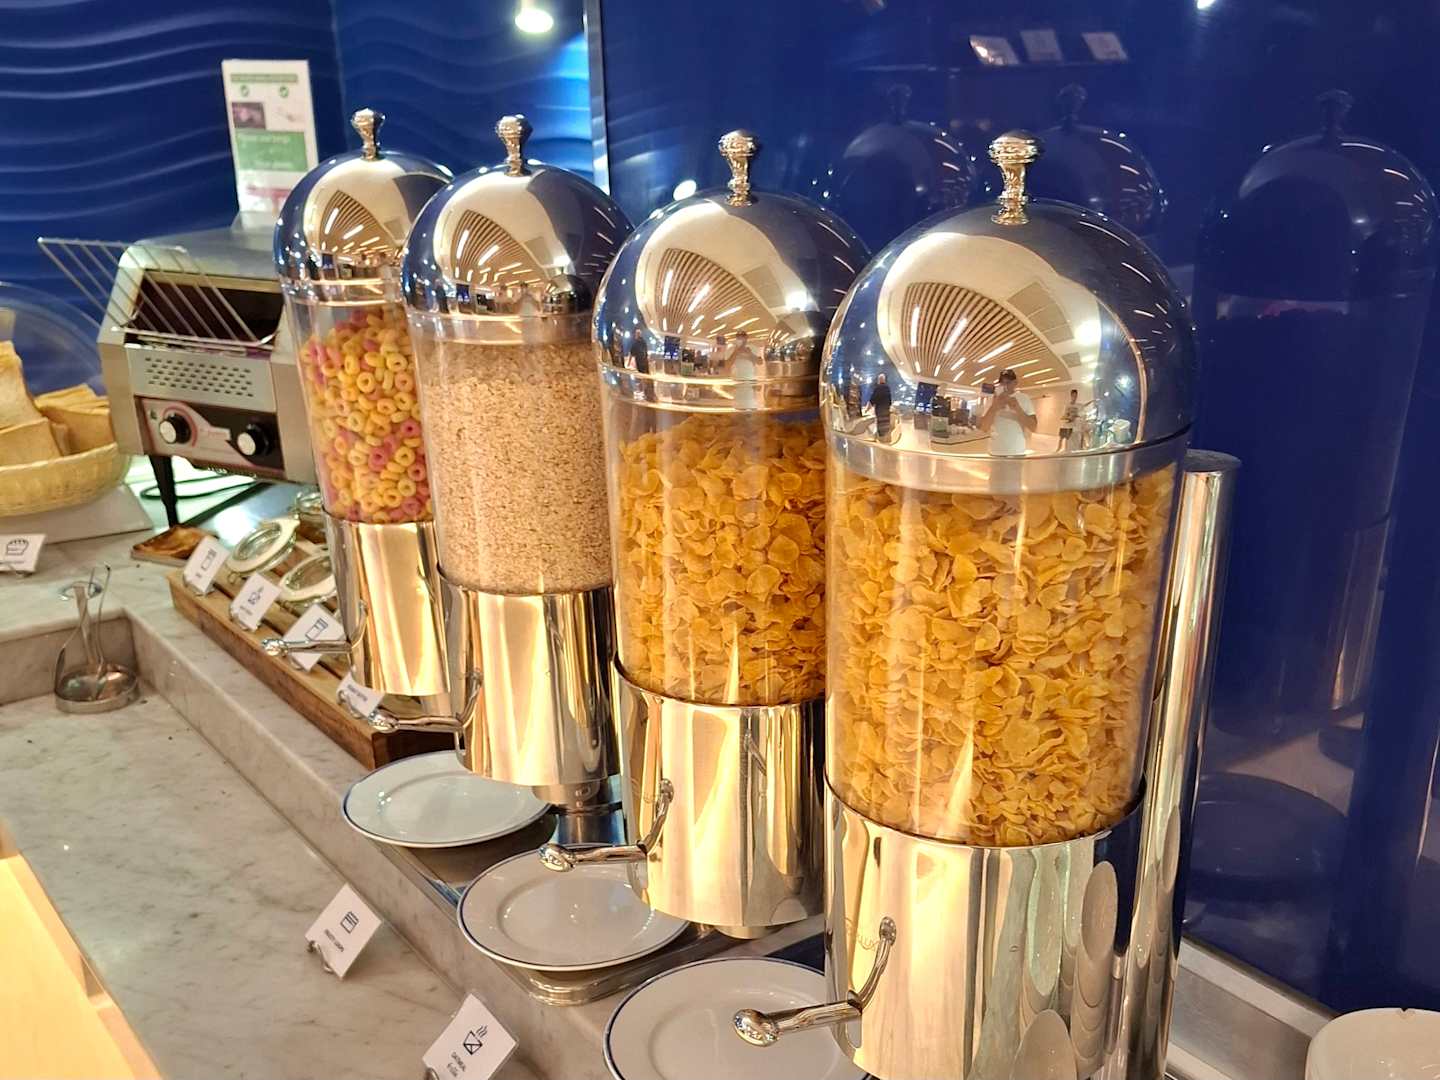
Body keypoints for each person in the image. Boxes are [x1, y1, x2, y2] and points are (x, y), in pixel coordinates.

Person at [978, 368, 1036, 455]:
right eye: (1002, 383)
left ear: (1015, 382)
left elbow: (1033, 427)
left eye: (1008, 382)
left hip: (1017, 451)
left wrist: (1017, 408)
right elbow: (983, 428)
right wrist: (994, 407)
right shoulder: (992, 399)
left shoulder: (1024, 398)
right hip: (995, 451)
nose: (1005, 386)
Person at [870, 373, 893, 440]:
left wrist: (870, 405)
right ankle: (886, 437)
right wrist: (888, 406)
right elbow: (889, 400)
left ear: (879, 380)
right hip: (886, 409)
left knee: (880, 423)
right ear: (884, 380)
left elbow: (873, 399)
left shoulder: (877, 388)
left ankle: (881, 438)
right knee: (886, 422)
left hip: (879, 409)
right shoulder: (887, 388)